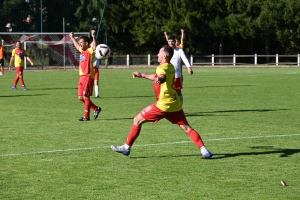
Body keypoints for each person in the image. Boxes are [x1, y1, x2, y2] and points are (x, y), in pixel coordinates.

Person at [111, 45, 212, 159]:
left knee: (137, 120)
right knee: (187, 128)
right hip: (175, 103)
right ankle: (204, 151)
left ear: (164, 56)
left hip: (162, 105)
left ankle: (126, 147)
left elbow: (161, 76)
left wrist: (160, 79)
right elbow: (157, 76)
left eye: (159, 53)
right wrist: (142, 75)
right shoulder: (171, 66)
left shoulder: (161, 69)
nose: (157, 54)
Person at [69, 30, 101, 121]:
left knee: (86, 97)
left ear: (87, 43)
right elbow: (76, 46)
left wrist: (93, 36)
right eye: (79, 42)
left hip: (87, 76)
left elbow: (94, 46)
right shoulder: (82, 51)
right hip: (81, 77)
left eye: (81, 42)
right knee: (80, 97)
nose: (80, 44)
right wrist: (72, 38)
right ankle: (96, 108)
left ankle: (86, 116)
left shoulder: (90, 51)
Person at [166, 35, 193, 105]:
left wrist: (189, 68)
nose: (171, 43)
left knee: (178, 91)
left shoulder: (179, 50)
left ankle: (180, 107)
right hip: (167, 75)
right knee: (167, 91)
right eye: (169, 41)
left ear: (175, 42)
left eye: (172, 41)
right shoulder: (166, 50)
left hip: (177, 75)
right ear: (167, 42)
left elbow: (184, 59)